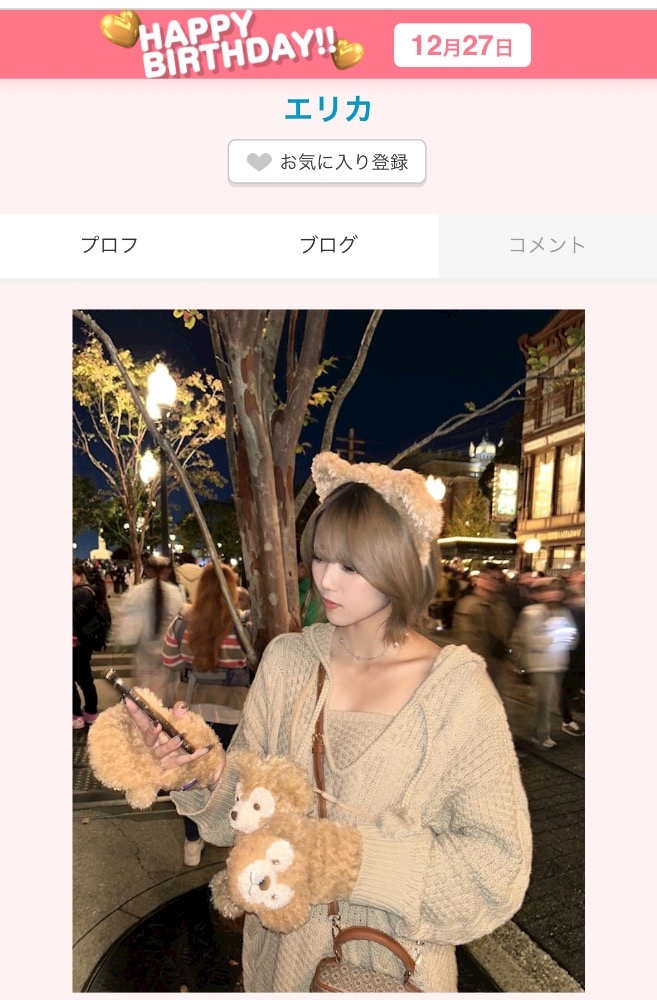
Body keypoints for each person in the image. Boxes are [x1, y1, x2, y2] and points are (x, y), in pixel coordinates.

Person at [122, 453, 532, 993]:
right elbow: (239, 817)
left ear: (400, 565)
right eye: (318, 557)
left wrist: (346, 862)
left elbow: (495, 872)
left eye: (350, 566)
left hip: (394, 969)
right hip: (277, 965)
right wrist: (199, 771)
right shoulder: (288, 662)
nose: (325, 579)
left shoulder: (456, 692)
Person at [161, 562, 252, 866]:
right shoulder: (243, 624)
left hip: (192, 707)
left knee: (190, 777)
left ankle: (192, 841)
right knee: (233, 777)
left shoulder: (182, 622)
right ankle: (234, 841)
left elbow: (170, 661)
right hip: (233, 709)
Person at [510, 577, 579, 748]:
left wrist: (570, 638)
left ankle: (540, 732)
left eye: (558, 590)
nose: (554, 594)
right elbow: (529, 639)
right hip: (541, 664)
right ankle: (541, 735)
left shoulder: (564, 612)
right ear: (542, 594)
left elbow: (573, 637)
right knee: (544, 701)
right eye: (550, 590)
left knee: (549, 700)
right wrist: (555, 637)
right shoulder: (532, 612)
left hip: (559, 662)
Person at [113, 555, 184, 705]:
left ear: (147, 570)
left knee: (145, 698)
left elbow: (126, 622)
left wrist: (124, 642)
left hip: (144, 654)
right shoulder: (176, 593)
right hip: (169, 654)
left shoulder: (137, 592)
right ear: (167, 571)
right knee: (166, 698)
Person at [451, 564, 515, 701]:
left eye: (497, 579)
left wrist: (509, 661)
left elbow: (507, 632)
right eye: (487, 578)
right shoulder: (469, 605)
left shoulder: (501, 605)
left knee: (497, 701)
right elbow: (467, 637)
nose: (492, 582)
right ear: (478, 581)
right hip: (478, 663)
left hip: (497, 662)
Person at [73, 561, 100, 727]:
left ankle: (77, 715)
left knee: (80, 680)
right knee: (84, 680)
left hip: (76, 644)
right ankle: (90, 713)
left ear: (81, 576)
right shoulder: (89, 591)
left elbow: (75, 619)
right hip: (82, 644)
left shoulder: (80, 593)